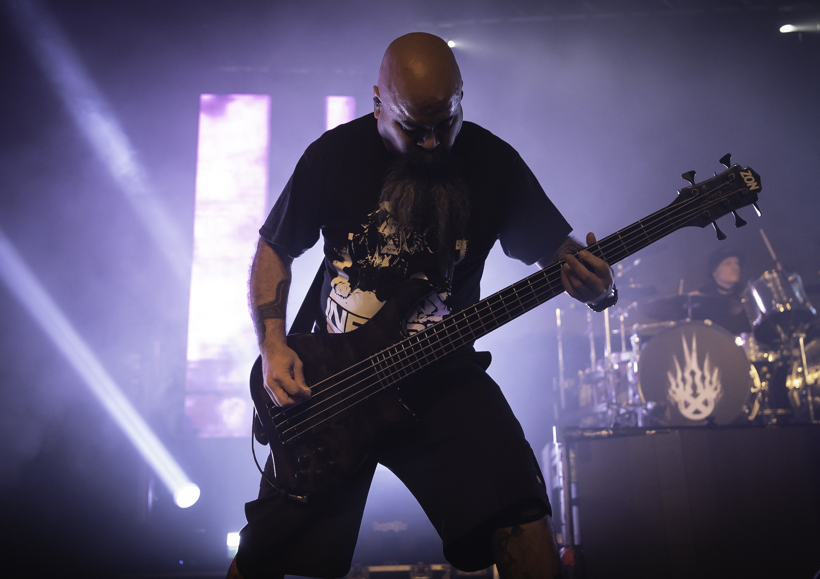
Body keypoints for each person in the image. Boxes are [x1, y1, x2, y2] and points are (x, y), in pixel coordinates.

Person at [229, 32, 614, 579]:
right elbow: (275, 246)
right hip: (336, 385)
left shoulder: (492, 163)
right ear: (378, 102)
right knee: (265, 554)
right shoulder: (333, 157)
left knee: (522, 516)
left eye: (446, 123)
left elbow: (559, 251)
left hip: (444, 379)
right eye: (413, 128)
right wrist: (272, 343)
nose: (433, 143)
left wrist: (598, 282)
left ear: (460, 99)